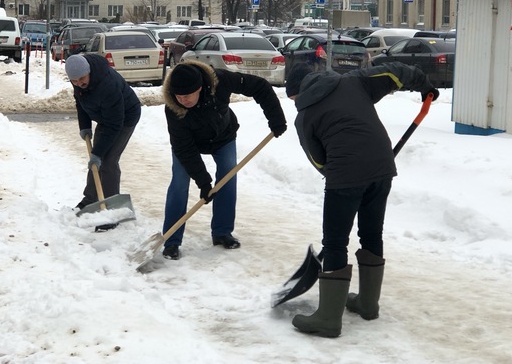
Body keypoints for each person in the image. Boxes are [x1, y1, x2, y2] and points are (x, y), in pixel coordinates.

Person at [285, 61, 439, 338]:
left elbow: (318, 159)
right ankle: (368, 304)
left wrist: (339, 175)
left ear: (296, 91)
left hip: (344, 175)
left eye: (293, 96)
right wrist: (424, 85)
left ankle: (328, 319)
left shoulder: (304, 116)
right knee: (371, 233)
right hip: (381, 167)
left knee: (335, 242)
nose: (295, 102)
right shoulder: (353, 81)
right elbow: (395, 72)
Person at [160, 60, 287, 260]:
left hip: (222, 136)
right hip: (189, 143)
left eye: (187, 95)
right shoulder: (173, 109)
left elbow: (259, 86)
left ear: (200, 88)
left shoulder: (220, 80)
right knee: (179, 183)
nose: (183, 100)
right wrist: (203, 181)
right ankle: (171, 240)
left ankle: (222, 232)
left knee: (228, 176)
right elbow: (184, 150)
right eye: (179, 96)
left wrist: (276, 118)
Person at [65, 53, 141, 209]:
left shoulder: (107, 85)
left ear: (89, 72)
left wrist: (98, 153)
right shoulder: (79, 79)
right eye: (75, 81)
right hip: (105, 116)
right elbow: (81, 103)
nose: (79, 83)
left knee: (107, 160)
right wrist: (84, 126)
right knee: (96, 162)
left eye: (82, 79)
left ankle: (112, 206)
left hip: (124, 118)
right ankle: (91, 200)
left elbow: (114, 124)